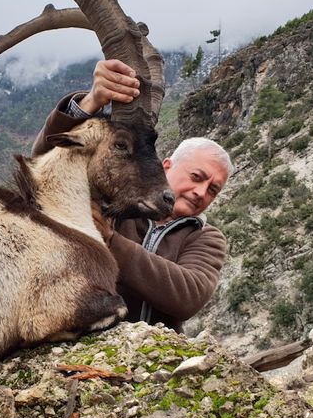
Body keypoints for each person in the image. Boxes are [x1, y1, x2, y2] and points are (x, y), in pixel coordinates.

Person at [32, 59, 232, 332]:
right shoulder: (115, 202)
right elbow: (47, 163)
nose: (201, 192)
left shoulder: (206, 238)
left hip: (153, 352)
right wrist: (92, 101)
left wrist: (111, 241)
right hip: (83, 339)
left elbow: (189, 296)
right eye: (196, 177)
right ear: (166, 166)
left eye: (213, 189)